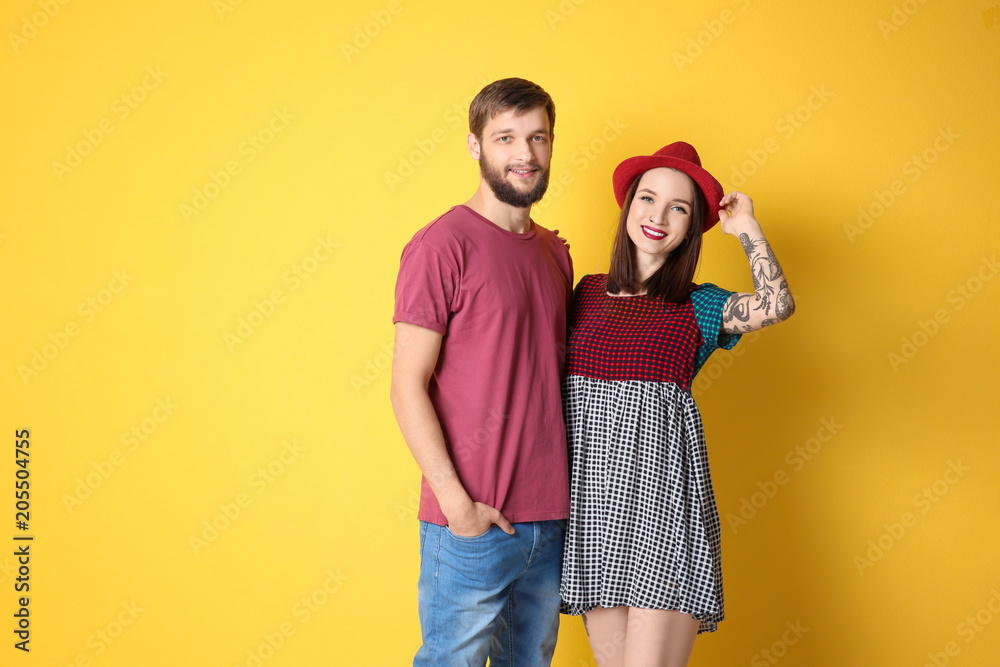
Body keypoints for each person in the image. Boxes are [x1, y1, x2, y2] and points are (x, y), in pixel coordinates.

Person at [559, 142, 795, 666]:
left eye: (679, 208)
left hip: (663, 513)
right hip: (593, 516)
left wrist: (747, 228)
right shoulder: (586, 293)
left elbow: (777, 305)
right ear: (628, 209)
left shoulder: (699, 303)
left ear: (692, 227)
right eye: (648, 198)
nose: (658, 216)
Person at [390, 78, 573, 666]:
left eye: (537, 137)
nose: (525, 154)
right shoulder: (441, 246)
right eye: (505, 138)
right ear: (476, 147)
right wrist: (456, 504)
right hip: (472, 521)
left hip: (548, 519)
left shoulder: (555, 252)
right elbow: (406, 384)